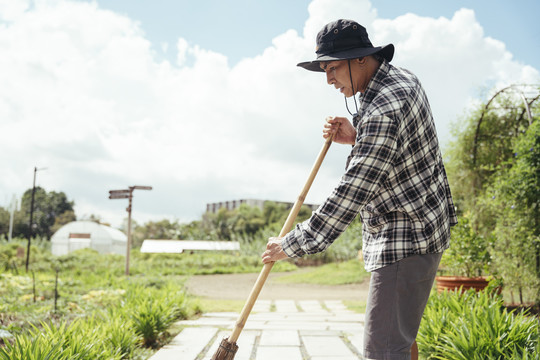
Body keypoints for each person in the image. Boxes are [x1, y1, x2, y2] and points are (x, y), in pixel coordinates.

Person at [261, 19, 457, 360]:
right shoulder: (398, 80)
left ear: (362, 59)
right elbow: (399, 145)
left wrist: (292, 244)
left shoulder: (382, 108)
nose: (328, 79)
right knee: (399, 340)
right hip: (424, 227)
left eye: (333, 68)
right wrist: (357, 136)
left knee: (382, 350)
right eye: (324, 69)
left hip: (404, 238)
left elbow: (354, 190)